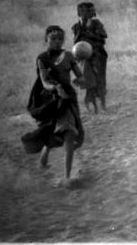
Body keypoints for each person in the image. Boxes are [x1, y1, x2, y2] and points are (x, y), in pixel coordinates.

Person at [36, 26, 85, 183]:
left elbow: (80, 76)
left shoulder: (69, 56)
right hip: (52, 100)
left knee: (72, 135)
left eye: (59, 39)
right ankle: (67, 175)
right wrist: (56, 88)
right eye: (53, 39)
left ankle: (66, 175)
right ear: (46, 40)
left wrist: (80, 80)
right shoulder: (42, 58)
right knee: (61, 132)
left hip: (69, 98)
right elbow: (44, 82)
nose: (57, 42)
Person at [72, 2, 108, 113]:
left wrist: (89, 32)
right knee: (89, 81)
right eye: (82, 11)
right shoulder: (76, 26)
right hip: (84, 57)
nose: (86, 13)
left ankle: (102, 105)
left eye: (88, 11)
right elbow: (75, 41)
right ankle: (93, 106)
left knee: (100, 80)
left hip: (98, 55)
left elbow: (104, 36)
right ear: (78, 12)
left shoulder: (97, 24)